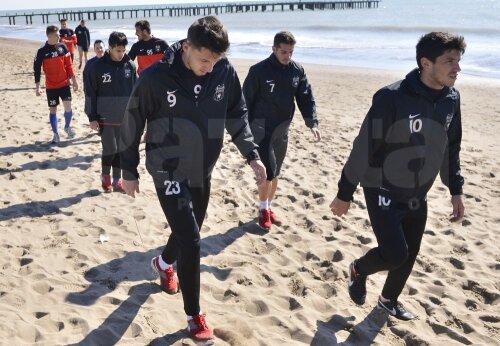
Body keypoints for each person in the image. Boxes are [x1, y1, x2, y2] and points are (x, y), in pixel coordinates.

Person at [120, 16, 266, 343]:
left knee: (190, 231)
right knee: (192, 239)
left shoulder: (224, 72)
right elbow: (132, 121)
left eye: (216, 60)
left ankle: (163, 262)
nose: (210, 67)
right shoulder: (156, 77)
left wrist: (252, 155)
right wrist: (128, 171)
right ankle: (193, 315)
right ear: (187, 47)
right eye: (204, 60)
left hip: (203, 168)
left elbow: (237, 115)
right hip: (166, 166)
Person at [329, 32, 466, 321]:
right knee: (395, 253)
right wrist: (345, 193)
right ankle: (358, 269)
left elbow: (451, 146)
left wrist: (456, 188)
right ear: (426, 63)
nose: (457, 68)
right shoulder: (391, 98)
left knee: (410, 252)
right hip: (382, 186)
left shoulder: (451, 99)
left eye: (459, 60)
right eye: (450, 61)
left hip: (419, 191)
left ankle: (388, 299)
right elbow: (364, 145)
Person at [243, 31, 320, 230]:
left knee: (275, 172)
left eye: (291, 52)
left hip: (282, 131)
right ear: (274, 49)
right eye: (284, 52)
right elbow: (245, 102)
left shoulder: (297, 71)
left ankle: (268, 206)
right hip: (261, 130)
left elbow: (305, 97)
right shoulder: (258, 71)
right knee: (267, 172)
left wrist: (312, 123)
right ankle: (262, 210)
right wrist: (245, 132)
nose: (288, 56)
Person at [84, 32, 136, 193]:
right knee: (110, 149)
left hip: (124, 116)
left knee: (121, 149)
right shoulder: (97, 67)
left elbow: (136, 91)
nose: (122, 54)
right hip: (104, 116)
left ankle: (116, 180)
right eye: (118, 50)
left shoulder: (130, 66)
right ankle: (105, 177)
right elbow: (90, 93)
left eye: (123, 50)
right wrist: (92, 117)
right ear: (110, 48)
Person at [34, 25, 79, 144]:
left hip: (64, 84)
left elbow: (69, 65)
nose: (60, 36)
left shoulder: (63, 46)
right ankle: (55, 134)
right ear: (49, 36)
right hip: (51, 86)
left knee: (68, 107)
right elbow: (37, 69)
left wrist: (74, 80)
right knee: (53, 110)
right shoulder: (41, 50)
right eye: (57, 34)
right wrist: (37, 87)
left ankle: (67, 127)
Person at [83, 40, 105, 113]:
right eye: (97, 48)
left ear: (105, 48)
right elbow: (85, 79)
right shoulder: (90, 63)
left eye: (101, 47)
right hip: (94, 93)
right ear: (94, 49)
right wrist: (86, 92)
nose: (99, 50)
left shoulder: (110, 62)